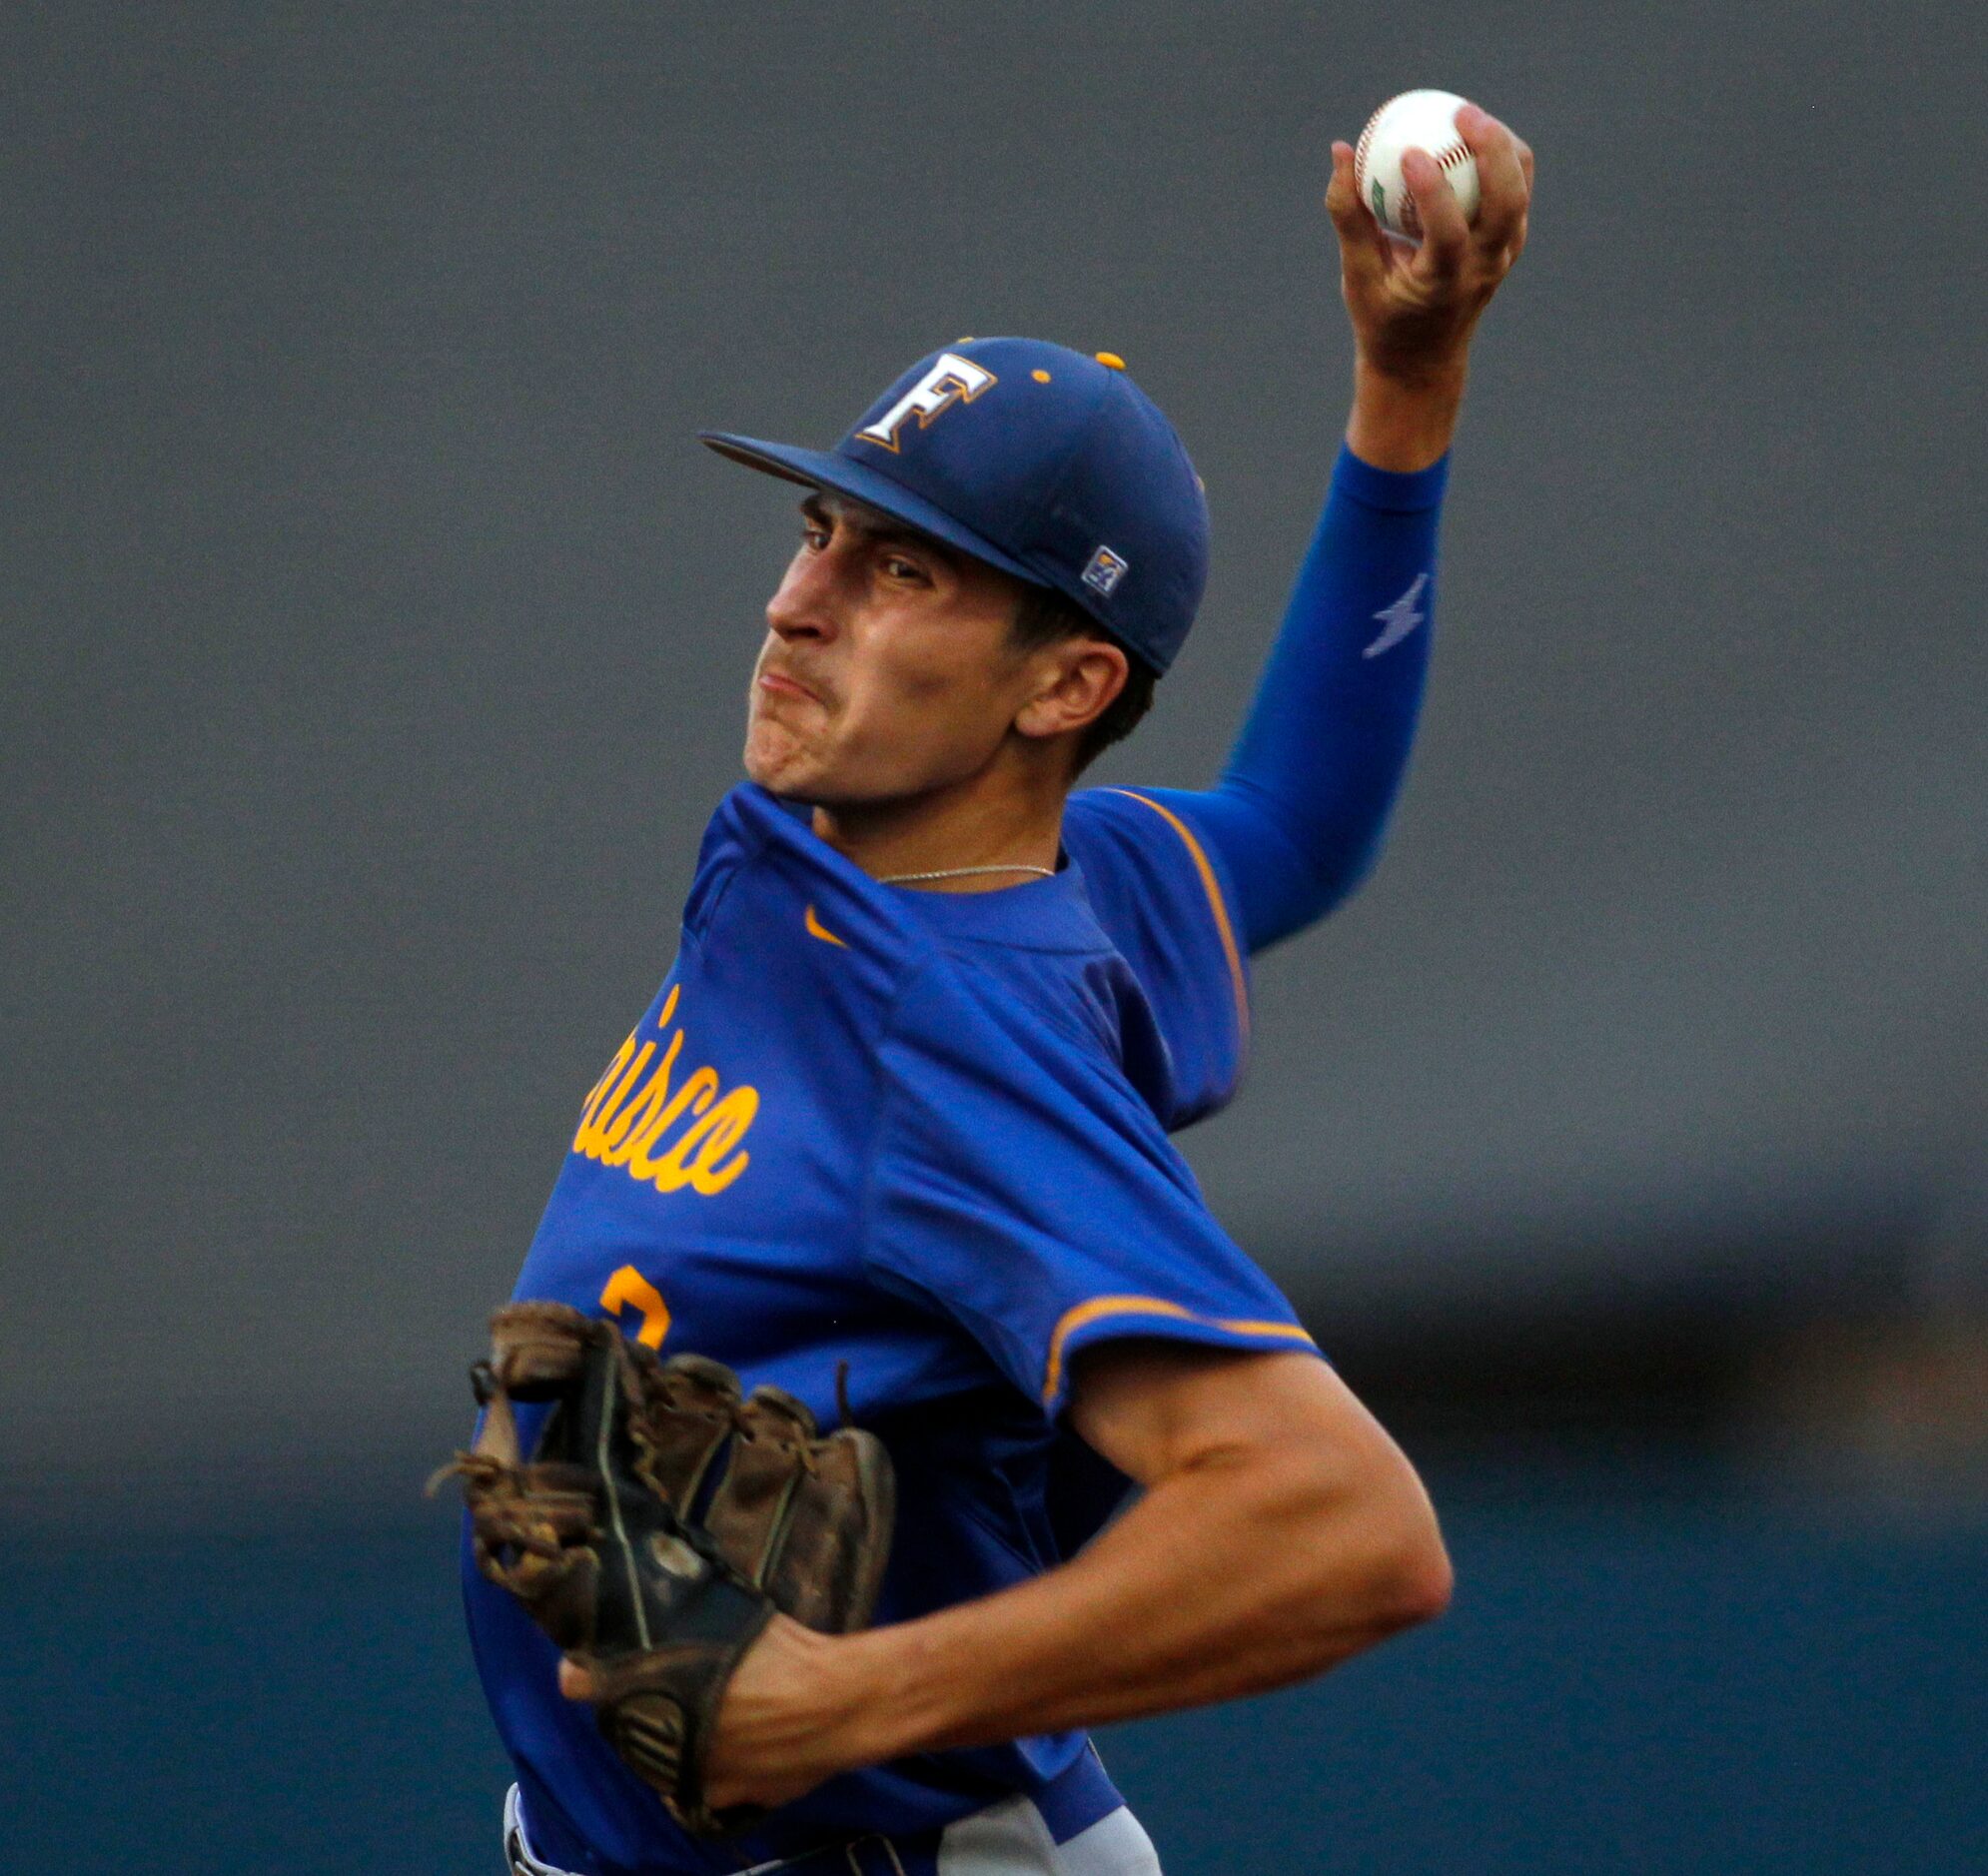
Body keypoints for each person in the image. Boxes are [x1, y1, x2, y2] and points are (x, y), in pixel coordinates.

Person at [469, 110, 1533, 1876]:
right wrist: (1405, 387)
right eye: (819, 528)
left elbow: (1347, 1530)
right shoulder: (1022, 871)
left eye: (899, 571)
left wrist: (853, 1694)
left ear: (1066, 685)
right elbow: (1295, 820)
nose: (793, 601)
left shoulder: (953, 1040)